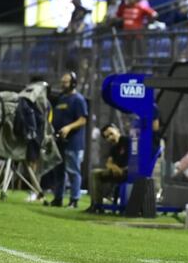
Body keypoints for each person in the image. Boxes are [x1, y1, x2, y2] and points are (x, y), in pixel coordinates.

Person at [48, 72, 88, 208]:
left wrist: (69, 128)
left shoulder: (78, 99)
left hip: (73, 142)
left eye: (66, 82)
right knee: (58, 170)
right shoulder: (61, 98)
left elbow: (83, 120)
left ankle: (74, 200)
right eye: (62, 81)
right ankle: (57, 198)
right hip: (59, 141)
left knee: (73, 171)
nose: (63, 84)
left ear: (73, 83)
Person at [86, 124, 129, 213]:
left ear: (117, 130)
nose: (110, 137)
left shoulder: (128, 141)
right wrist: (115, 167)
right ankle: (97, 206)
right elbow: (108, 163)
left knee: (96, 173)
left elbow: (136, 159)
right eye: (107, 137)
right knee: (95, 173)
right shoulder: (113, 147)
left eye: (111, 134)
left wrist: (122, 169)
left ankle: (97, 206)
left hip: (129, 172)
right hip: (116, 172)